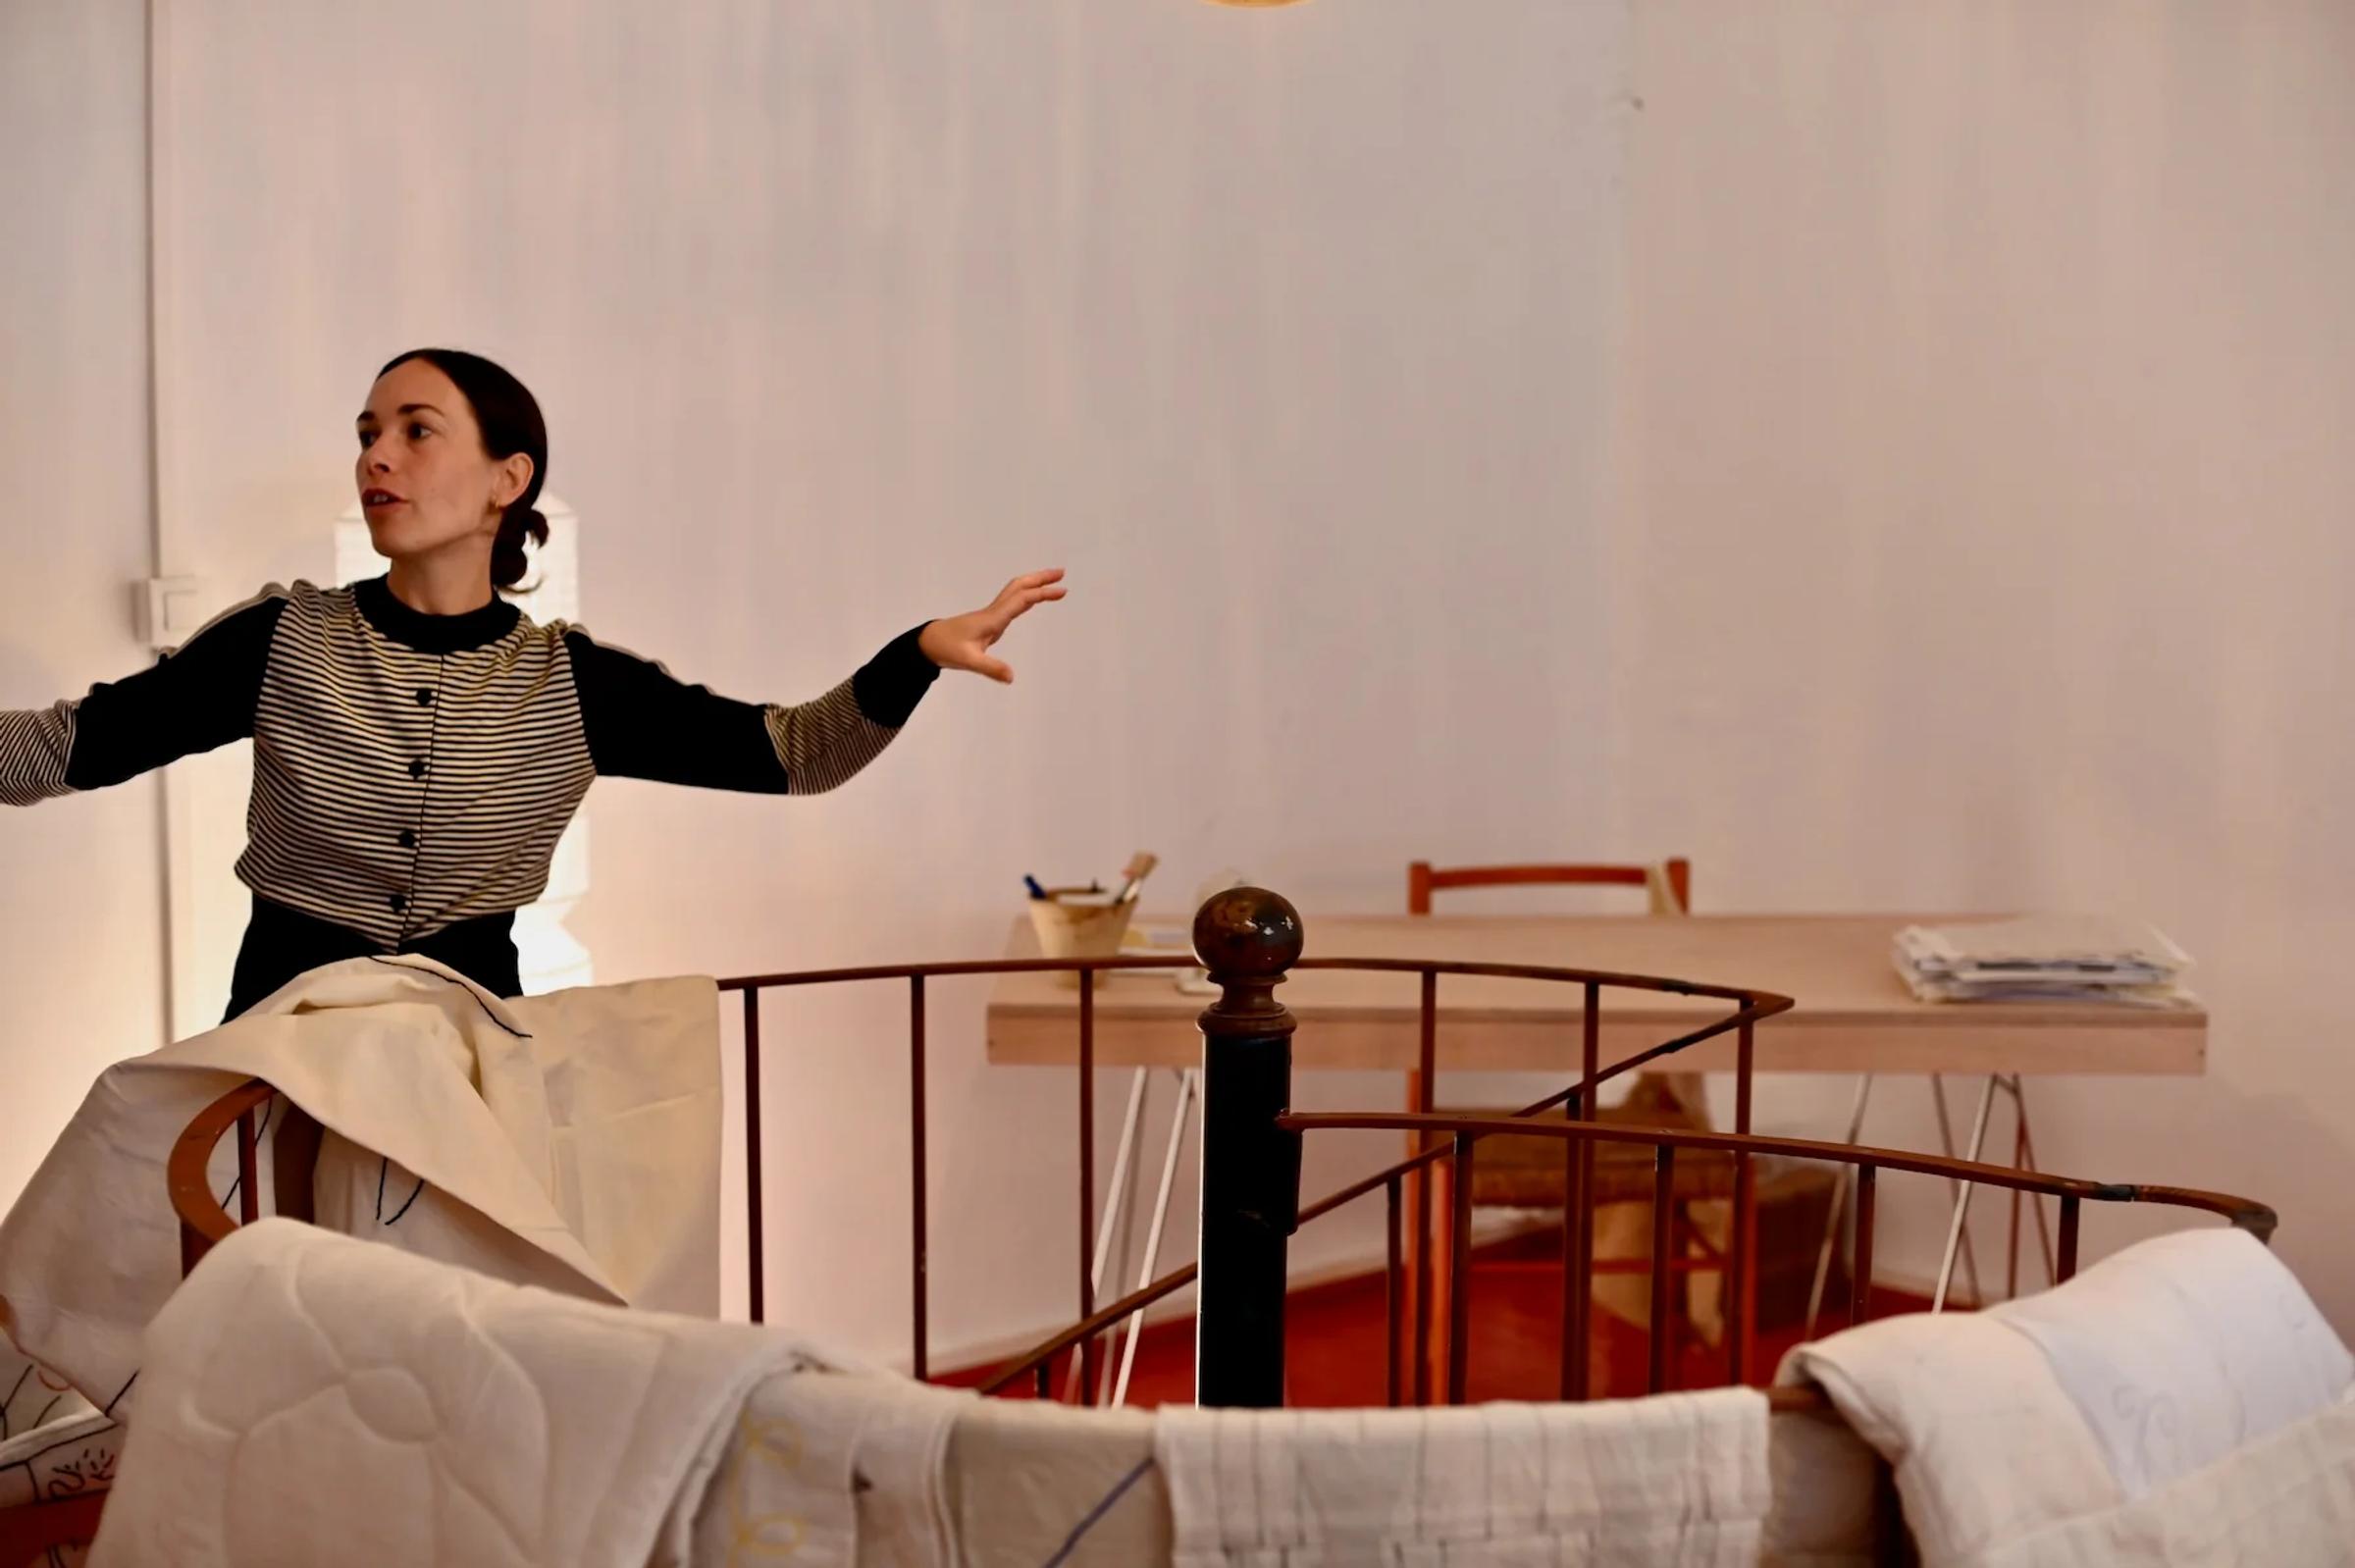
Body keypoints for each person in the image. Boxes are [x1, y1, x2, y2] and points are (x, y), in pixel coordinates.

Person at [0, 347, 1065, 1019]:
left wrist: (916, 650)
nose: (378, 456)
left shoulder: (569, 682)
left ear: (508, 480)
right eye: (368, 434)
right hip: (283, 1057)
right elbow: (56, 750)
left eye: (417, 430)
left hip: (474, 1070)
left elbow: (794, 754)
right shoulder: (281, 643)